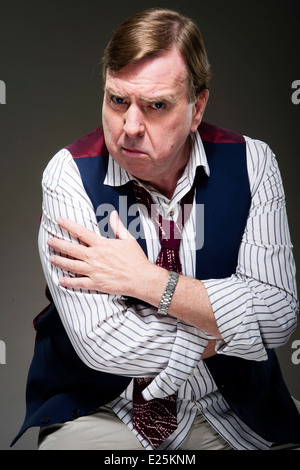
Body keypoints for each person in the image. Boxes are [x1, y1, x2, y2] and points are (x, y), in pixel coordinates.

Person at [12, 8, 300, 450]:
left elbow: (279, 317)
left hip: (239, 411)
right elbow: (103, 344)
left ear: (197, 107)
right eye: (117, 100)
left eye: (157, 106)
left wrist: (151, 282)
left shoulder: (253, 164)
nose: (129, 128)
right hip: (103, 412)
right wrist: (234, 331)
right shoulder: (69, 174)